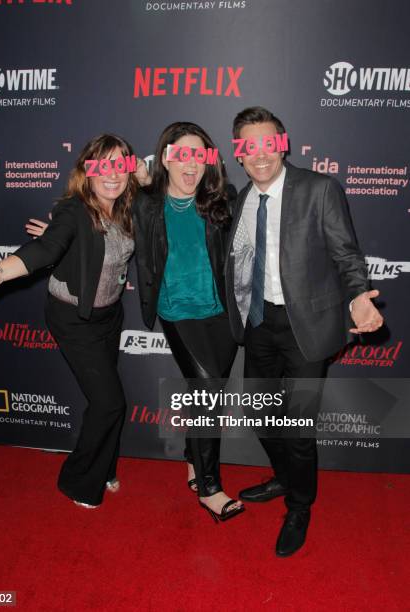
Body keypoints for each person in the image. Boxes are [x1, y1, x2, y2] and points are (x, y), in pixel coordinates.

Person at [225, 106, 384, 554]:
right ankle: (284, 476)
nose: (259, 155)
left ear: (283, 143)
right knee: (259, 415)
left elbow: (347, 256)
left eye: (268, 143)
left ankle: (299, 506)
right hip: (260, 323)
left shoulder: (319, 189)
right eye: (248, 146)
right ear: (238, 153)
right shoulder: (242, 199)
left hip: (306, 327)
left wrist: (357, 295)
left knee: (296, 426)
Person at [0, 134, 142, 509]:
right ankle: (77, 481)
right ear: (86, 170)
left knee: (103, 400)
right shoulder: (74, 210)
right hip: (73, 318)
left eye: (120, 164)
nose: (112, 173)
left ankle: (103, 466)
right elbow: (45, 249)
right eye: (103, 164)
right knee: (110, 403)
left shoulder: (125, 207)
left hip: (109, 315)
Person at [132, 122, 244, 522]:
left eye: (200, 155)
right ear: (166, 157)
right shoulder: (145, 203)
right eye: (182, 154)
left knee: (205, 399)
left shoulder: (222, 198)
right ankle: (210, 489)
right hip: (178, 313)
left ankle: (192, 460)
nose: (191, 164)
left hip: (222, 314)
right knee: (209, 398)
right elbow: (99, 207)